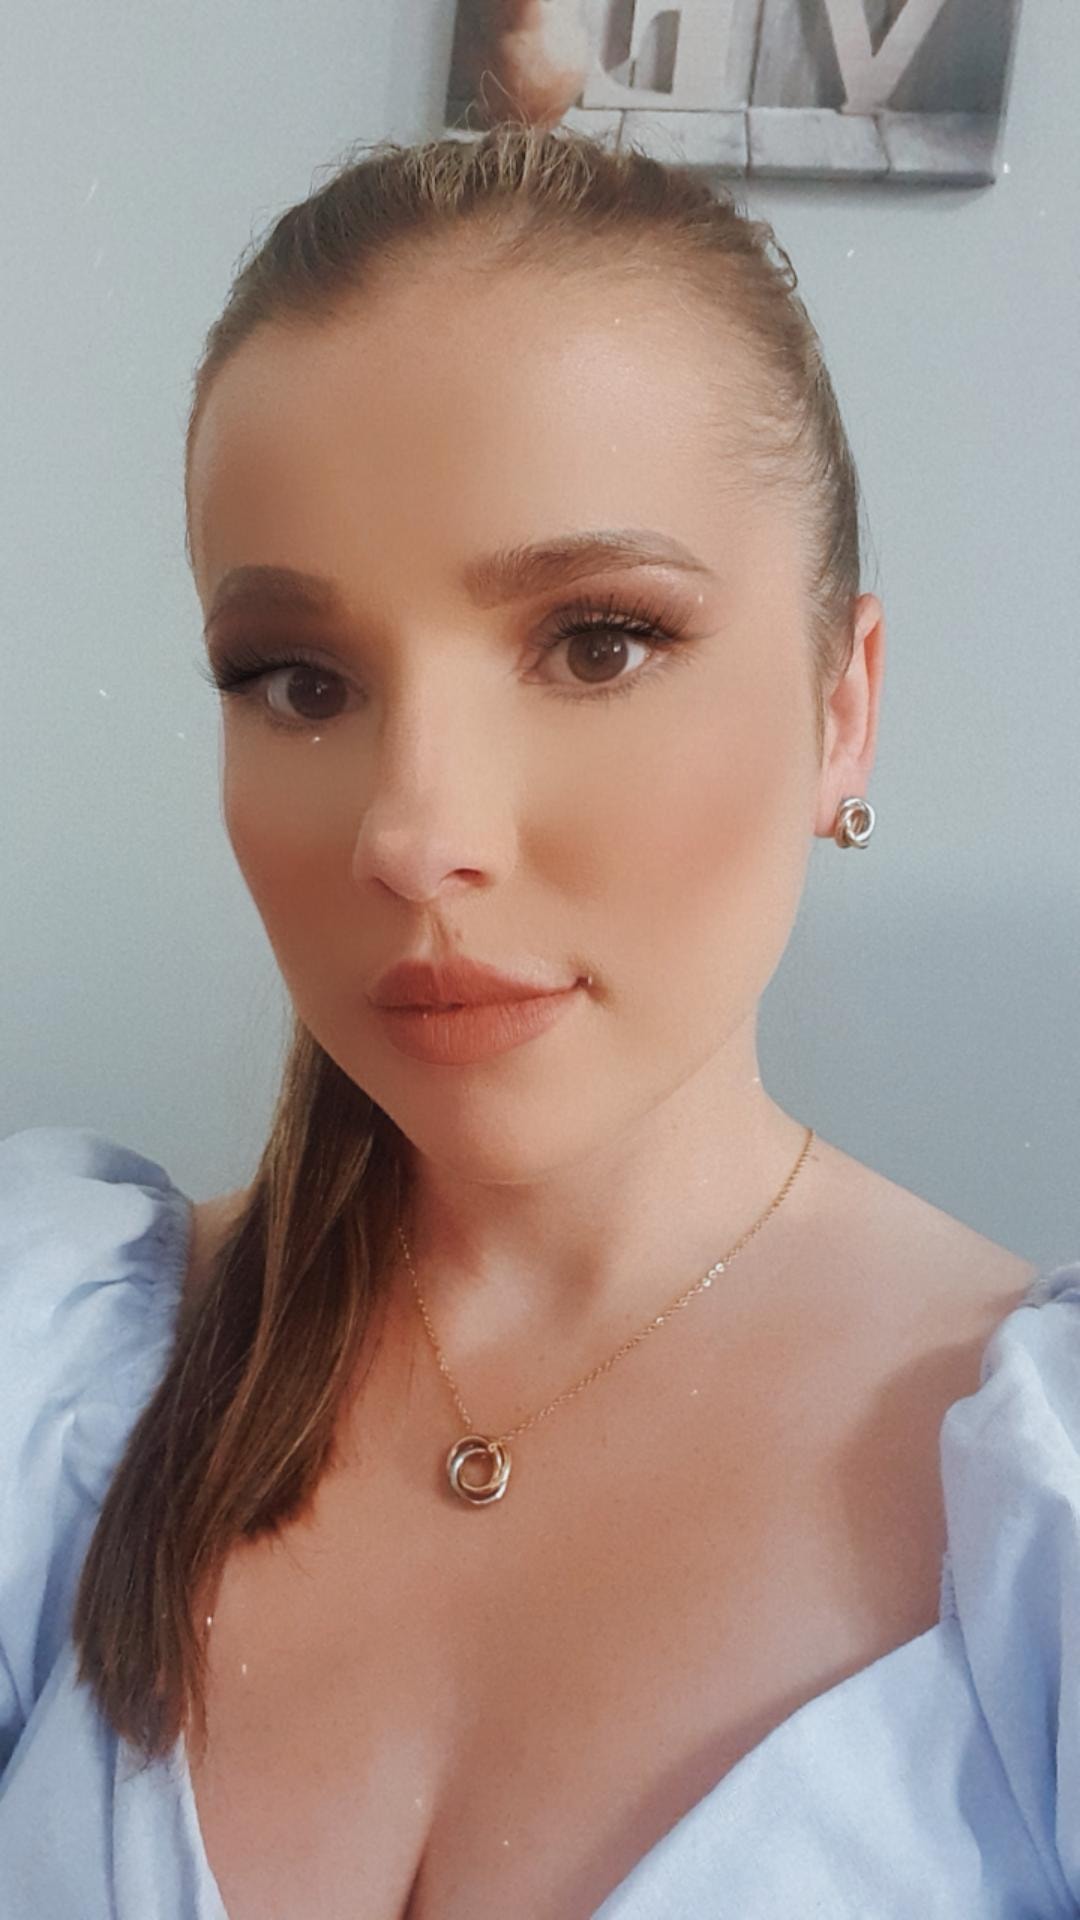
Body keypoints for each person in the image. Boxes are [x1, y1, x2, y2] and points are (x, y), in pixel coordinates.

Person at [0, 121, 1077, 1920]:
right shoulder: (52, 1378)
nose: (413, 834)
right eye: (299, 680)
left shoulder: (1038, 1515)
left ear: (843, 706)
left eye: (597, 642)